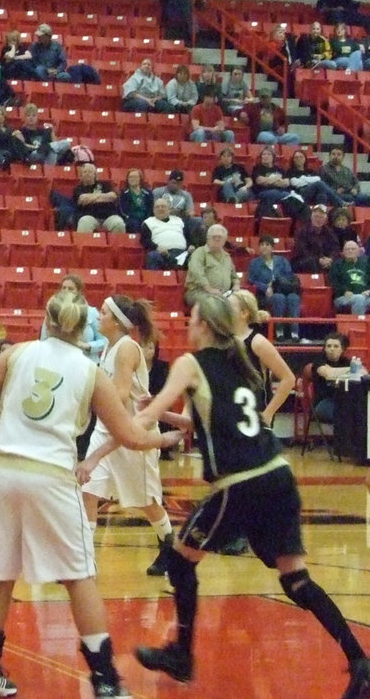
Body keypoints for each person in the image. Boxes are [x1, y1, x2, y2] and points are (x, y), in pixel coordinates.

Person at [134, 295, 370, 697]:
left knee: (179, 559)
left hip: (240, 482)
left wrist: (122, 416)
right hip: (277, 475)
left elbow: (149, 412)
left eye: (192, 320)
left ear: (205, 326)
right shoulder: (239, 363)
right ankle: (360, 659)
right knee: (295, 579)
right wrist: (175, 420)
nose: (188, 326)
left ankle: (182, 655)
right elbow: (208, 418)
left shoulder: (192, 363)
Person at [0, 290, 177, 699]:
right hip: (49, 474)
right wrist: (167, 439)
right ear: (84, 329)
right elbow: (127, 434)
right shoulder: (91, 371)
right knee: (78, 577)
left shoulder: (16, 353)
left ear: (48, 320)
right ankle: (105, 678)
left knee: (0, 574)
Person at [75, 295, 178, 577]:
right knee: (88, 489)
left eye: (104, 312)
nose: (98, 315)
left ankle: (169, 545)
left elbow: (119, 395)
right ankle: (84, 560)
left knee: (146, 501)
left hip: (135, 431)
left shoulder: (127, 348)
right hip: (106, 428)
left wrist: (87, 400)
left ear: (117, 321)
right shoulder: (107, 348)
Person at [229, 289, 298, 425]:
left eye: (229, 307)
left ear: (244, 313)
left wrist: (268, 413)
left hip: (255, 414)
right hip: (231, 413)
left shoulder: (257, 342)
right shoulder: (223, 340)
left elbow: (288, 379)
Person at [246, 236, 303, 341]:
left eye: (267, 245)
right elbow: (251, 280)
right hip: (265, 294)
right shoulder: (254, 263)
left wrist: (278, 282)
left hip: (284, 289)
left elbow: (290, 276)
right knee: (278, 298)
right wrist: (265, 287)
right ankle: (279, 331)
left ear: (272, 247)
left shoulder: (282, 260)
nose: (264, 247)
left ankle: (295, 332)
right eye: (262, 245)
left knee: (294, 298)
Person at [184, 224, 239, 308]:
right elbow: (197, 273)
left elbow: (234, 276)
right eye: (214, 237)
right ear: (208, 239)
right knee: (214, 302)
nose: (217, 239)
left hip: (223, 294)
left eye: (220, 237)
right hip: (199, 292)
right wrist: (209, 288)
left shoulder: (227, 256)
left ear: (224, 240)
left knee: (242, 300)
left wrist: (236, 285)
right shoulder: (199, 253)